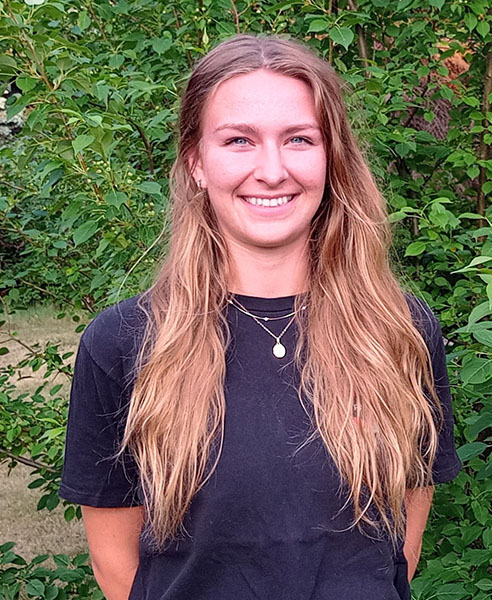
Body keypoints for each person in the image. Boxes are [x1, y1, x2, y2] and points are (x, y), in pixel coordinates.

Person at [58, 34, 460, 600]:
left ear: (331, 157)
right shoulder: (123, 342)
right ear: (196, 161)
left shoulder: (399, 331)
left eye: (298, 139)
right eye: (239, 140)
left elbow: (400, 545)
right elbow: (115, 563)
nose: (271, 170)